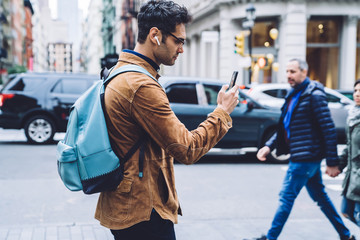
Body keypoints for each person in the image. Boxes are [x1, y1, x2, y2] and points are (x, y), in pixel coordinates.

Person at [94, 1, 240, 240]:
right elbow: (188, 149)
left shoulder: (118, 73)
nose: (181, 48)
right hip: (143, 212)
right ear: (155, 35)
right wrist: (222, 112)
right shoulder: (140, 86)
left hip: (126, 203)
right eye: (178, 41)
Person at [244, 58, 355, 240]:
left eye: (293, 72)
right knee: (321, 199)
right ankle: (346, 235)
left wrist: (332, 162)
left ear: (304, 72)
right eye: (287, 71)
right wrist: (268, 146)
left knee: (286, 198)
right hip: (303, 155)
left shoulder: (314, 95)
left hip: (305, 157)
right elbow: (285, 126)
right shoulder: (294, 93)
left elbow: (328, 128)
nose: (289, 75)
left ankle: (270, 238)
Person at [338, 79, 360, 227]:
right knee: (346, 211)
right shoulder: (353, 116)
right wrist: (338, 164)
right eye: (355, 91)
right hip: (352, 176)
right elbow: (349, 145)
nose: (357, 94)